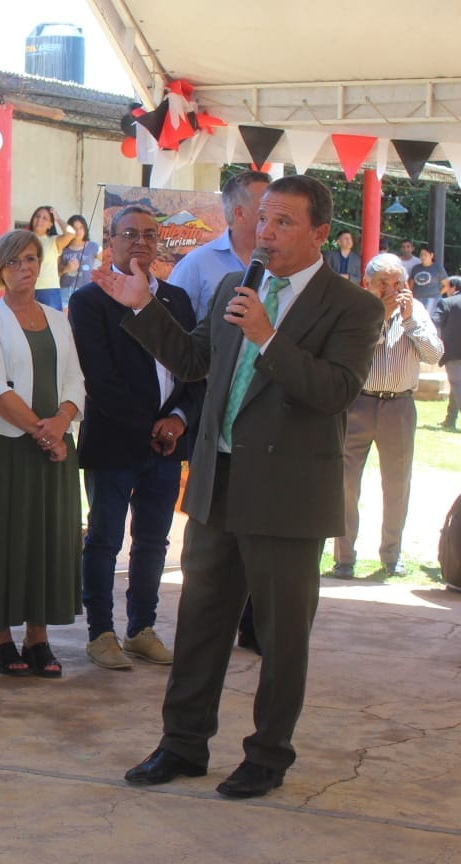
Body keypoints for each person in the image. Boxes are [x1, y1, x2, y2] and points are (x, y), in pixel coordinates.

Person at [96, 174, 382, 799]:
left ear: (319, 234)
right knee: (200, 623)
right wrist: (140, 306)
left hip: (287, 495)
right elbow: (196, 361)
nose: (266, 233)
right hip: (218, 484)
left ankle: (268, 755)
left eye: (283, 222)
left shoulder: (352, 305)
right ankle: (182, 744)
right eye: (261, 219)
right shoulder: (234, 284)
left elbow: (333, 391)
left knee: (280, 637)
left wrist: (267, 336)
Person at [70, 207, 202, 672]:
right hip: (114, 439)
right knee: (104, 539)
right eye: (130, 234)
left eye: (150, 234)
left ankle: (141, 628)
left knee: (153, 541)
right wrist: (149, 426)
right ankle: (101, 633)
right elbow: (99, 378)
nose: (141, 242)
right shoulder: (89, 301)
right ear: (112, 241)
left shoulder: (180, 300)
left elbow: (192, 368)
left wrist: (179, 420)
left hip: (168, 441)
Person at [0, 230, 84, 677]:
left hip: (52, 446)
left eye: (31, 259)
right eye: (14, 262)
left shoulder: (57, 316)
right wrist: (42, 431)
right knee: (0, 538)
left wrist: (60, 425)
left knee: (47, 539)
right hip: (4, 445)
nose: (24, 269)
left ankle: (38, 637)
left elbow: (75, 381)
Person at [166, 169, 270, 654]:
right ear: (241, 212)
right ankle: (214, 630)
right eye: (266, 208)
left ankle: (255, 623)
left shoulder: (291, 273)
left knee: (262, 532)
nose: (273, 220)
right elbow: (185, 348)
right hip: (212, 421)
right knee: (215, 536)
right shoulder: (199, 266)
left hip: (271, 430)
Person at [333, 253, 442, 578]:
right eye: (385, 284)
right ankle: (344, 558)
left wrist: (408, 321)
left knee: (397, 485)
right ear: (368, 284)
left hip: (400, 407)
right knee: (347, 484)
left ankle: (391, 554)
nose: (394, 290)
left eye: (399, 283)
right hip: (360, 404)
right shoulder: (357, 311)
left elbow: (435, 355)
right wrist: (383, 317)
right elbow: (355, 351)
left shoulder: (417, 311)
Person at [168, 170, 271, 321]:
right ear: (240, 213)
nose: (275, 210)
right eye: (265, 206)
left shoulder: (282, 261)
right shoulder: (196, 264)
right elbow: (175, 328)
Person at [26, 205, 74, 310]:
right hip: (26, 289)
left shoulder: (54, 241)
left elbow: (71, 233)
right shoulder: (22, 240)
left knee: (52, 324)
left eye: (45, 218)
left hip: (48, 290)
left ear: (50, 225)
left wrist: (58, 219)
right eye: (37, 216)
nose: (39, 220)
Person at [434, 277, 461, 431]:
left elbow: (434, 322)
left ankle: (451, 419)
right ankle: (450, 419)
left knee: (457, 385)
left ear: (453, 287)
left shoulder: (446, 303)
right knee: (456, 387)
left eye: (445, 287)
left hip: (453, 352)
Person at [58, 213, 101, 308]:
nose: (78, 231)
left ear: (85, 228)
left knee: (83, 321)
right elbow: (57, 272)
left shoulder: (93, 246)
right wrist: (67, 268)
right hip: (65, 292)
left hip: (86, 292)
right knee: (65, 321)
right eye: (74, 228)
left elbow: (108, 261)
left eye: (81, 227)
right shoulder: (63, 247)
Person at [409, 243, 445, 314]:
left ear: (431, 255)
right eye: (421, 255)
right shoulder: (416, 268)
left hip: (433, 300)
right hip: (417, 300)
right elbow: (411, 286)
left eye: (425, 255)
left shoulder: (438, 267)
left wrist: (436, 295)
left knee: (430, 320)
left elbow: (446, 285)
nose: (423, 257)